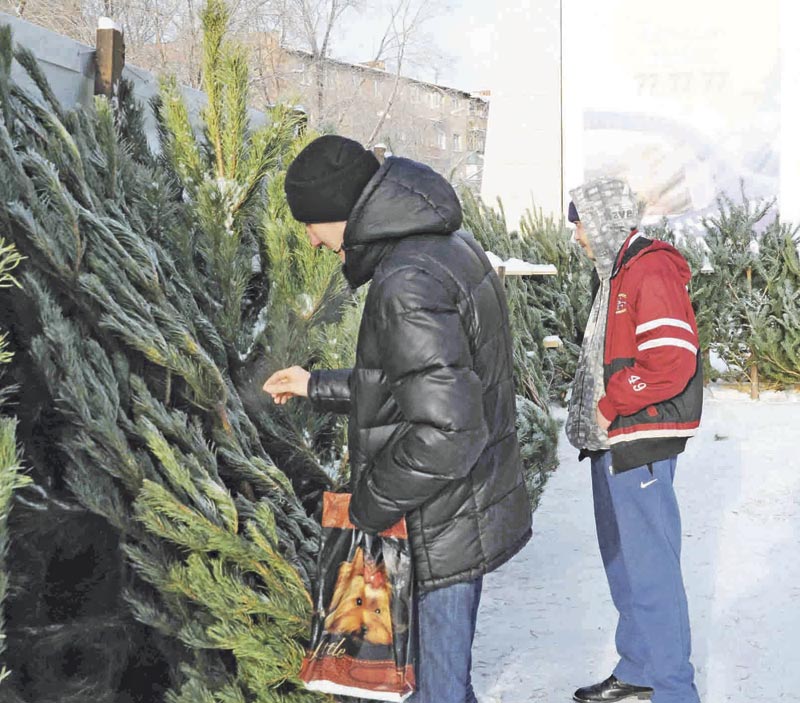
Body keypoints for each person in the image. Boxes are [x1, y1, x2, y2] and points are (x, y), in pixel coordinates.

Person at [263, 134, 532, 703]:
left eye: (312, 223)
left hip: (439, 527)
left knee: (438, 693)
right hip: (460, 510)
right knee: (446, 685)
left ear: (341, 212)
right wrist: (316, 383)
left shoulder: (405, 281)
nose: (311, 241)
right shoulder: (444, 246)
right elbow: (417, 378)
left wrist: (371, 502)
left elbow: (448, 430)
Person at [565, 177, 703, 703]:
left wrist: (612, 399)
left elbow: (672, 359)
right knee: (625, 564)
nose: (576, 234)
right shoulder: (616, 272)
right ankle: (640, 669)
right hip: (612, 439)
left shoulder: (650, 268)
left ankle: (674, 691)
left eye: (579, 222)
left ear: (600, 219)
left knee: (653, 573)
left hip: (638, 439)